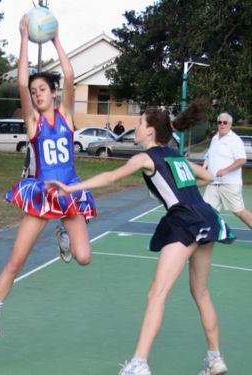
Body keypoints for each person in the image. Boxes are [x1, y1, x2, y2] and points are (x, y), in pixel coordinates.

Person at [48, 101, 235, 375]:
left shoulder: (146, 158)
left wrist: (70, 188)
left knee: (157, 294)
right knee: (201, 292)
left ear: (149, 132)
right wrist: (181, 186)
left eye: (139, 124)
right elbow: (206, 176)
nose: (135, 128)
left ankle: (139, 363)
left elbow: (111, 176)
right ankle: (215, 358)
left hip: (184, 221)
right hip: (205, 217)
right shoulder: (175, 155)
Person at [0, 15, 97, 351]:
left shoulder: (66, 116)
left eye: (42, 89)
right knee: (15, 261)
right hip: (43, 194)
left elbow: (68, 75)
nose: (37, 94)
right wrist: (23, 37)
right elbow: (22, 82)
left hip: (69, 193)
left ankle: (65, 234)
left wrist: (55, 39)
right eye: (34, 91)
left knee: (83, 257)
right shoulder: (34, 122)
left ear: (53, 94)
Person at [203, 112, 252, 229]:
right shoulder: (215, 138)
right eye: (220, 122)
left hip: (229, 184)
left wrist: (225, 170)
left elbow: (242, 160)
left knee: (239, 211)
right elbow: (209, 156)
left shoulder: (235, 140)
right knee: (206, 210)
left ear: (230, 124)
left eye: (225, 122)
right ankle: (208, 236)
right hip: (213, 184)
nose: (222, 125)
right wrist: (204, 167)